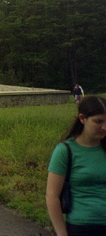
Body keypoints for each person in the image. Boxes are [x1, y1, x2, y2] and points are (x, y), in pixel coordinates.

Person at [45, 95, 106, 236]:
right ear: (82, 119)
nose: (104, 127)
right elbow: (52, 196)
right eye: (98, 121)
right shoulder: (65, 151)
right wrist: (61, 233)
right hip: (81, 227)